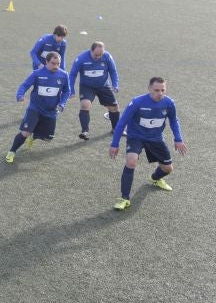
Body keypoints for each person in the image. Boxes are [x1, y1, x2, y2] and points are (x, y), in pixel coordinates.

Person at [109, 77, 188, 211]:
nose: (160, 93)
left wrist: (178, 139)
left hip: (155, 138)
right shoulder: (137, 102)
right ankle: (124, 198)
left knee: (168, 169)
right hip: (136, 137)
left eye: (163, 90)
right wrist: (115, 144)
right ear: (149, 89)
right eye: (156, 90)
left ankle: (155, 179)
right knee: (131, 161)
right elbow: (122, 123)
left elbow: (174, 121)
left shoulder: (169, 103)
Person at [5, 51, 71, 164]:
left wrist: (62, 103)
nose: (56, 66)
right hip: (35, 108)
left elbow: (67, 91)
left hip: (51, 111)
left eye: (58, 63)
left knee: (48, 138)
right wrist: (20, 95)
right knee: (25, 132)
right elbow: (25, 85)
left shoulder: (64, 75)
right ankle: (12, 152)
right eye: (53, 63)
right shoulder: (37, 73)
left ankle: (34, 136)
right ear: (46, 62)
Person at [68, 41, 121, 140]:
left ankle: (115, 129)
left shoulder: (107, 56)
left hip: (103, 86)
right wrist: (71, 90)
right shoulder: (81, 58)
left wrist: (115, 84)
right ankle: (85, 131)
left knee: (114, 107)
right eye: (96, 55)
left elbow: (113, 71)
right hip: (87, 87)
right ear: (91, 50)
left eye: (100, 55)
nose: (98, 57)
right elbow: (72, 74)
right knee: (85, 105)